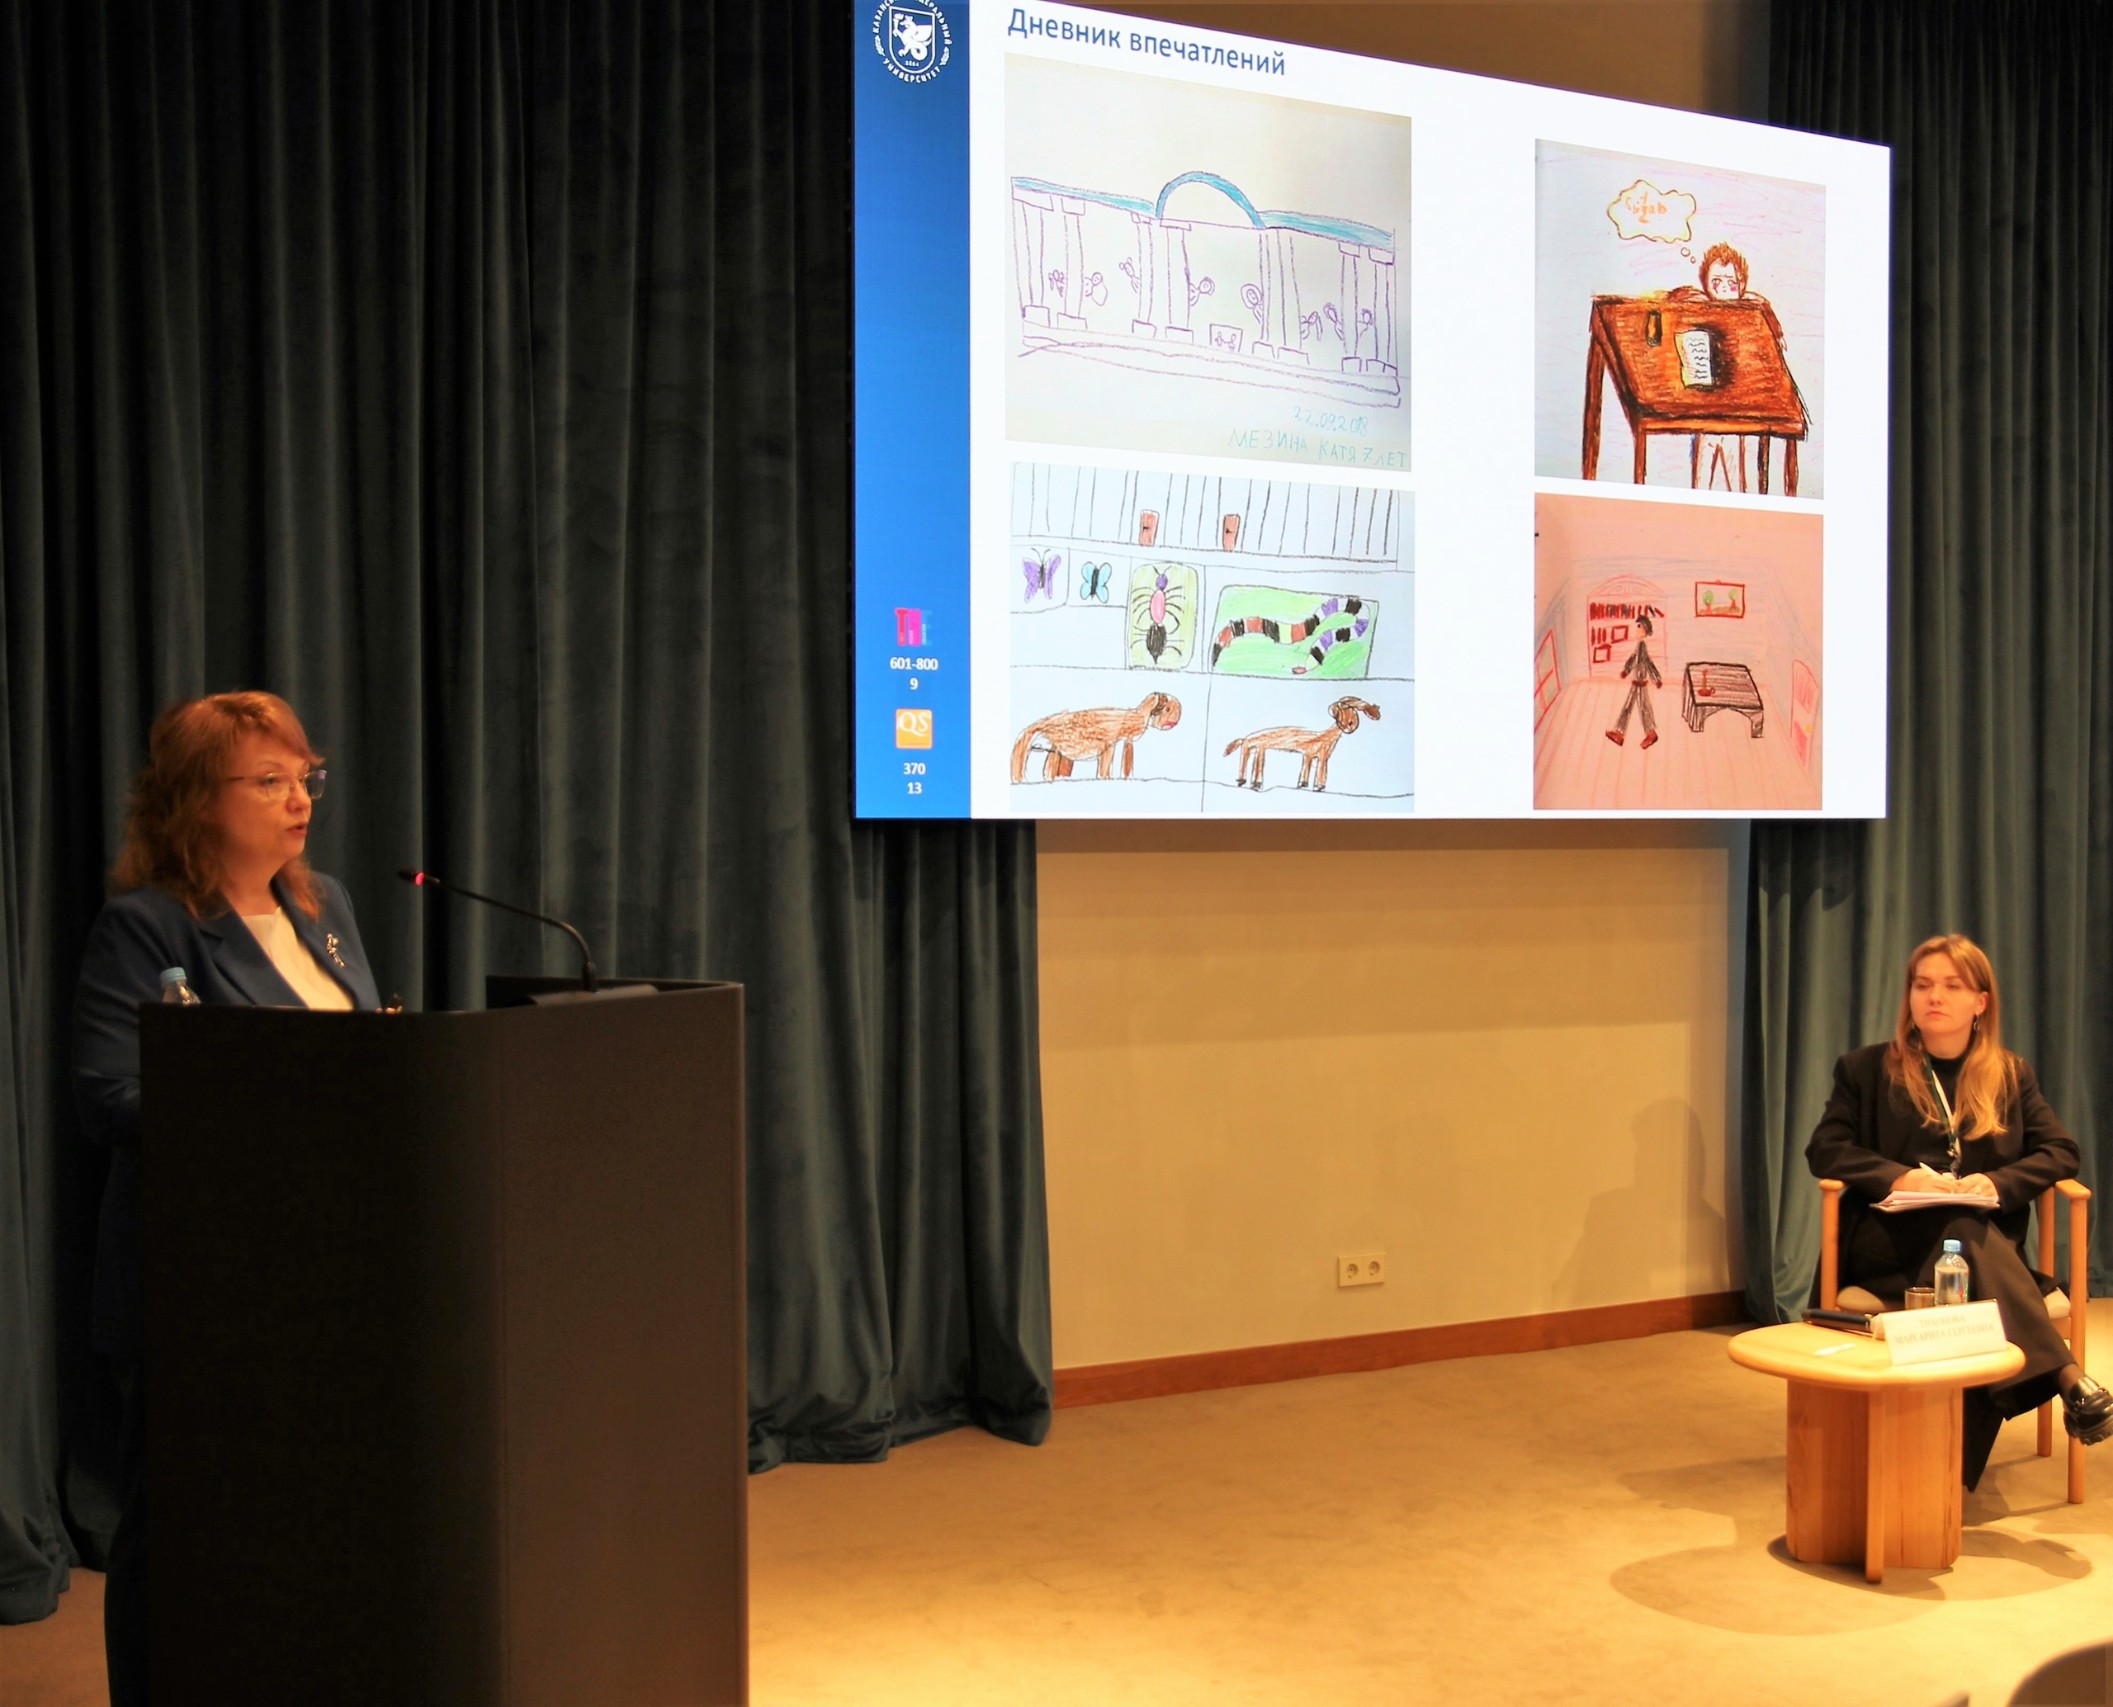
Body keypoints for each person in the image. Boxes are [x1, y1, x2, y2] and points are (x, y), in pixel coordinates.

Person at [72, 692, 381, 1706]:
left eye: (307, 777)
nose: (300, 799)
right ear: (199, 800)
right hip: (202, 1274)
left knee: (312, 1515)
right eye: (271, 780)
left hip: (327, 1262)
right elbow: (108, 1096)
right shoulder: (147, 926)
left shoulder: (325, 908)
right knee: (180, 1524)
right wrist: (269, 1094)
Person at [1806, 933, 2112, 1489]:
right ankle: (2065, 1376)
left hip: (1978, 1256)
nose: (1934, 997)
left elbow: (2060, 1151)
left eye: (1951, 985)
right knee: (1960, 1229)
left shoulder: (2010, 1074)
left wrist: (1995, 1183)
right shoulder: (1866, 1068)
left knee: (1965, 1242)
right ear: (1909, 997)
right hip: (1887, 1247)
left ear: (1980, 1002)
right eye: (1923, 985)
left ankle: (1937, 1482)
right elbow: (1825, 1150)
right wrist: (1899, 1177)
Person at [1604, 607, 1662, 750]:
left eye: (1639, 627)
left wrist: (1627, 670)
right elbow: (1641, 660)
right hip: (1638, 681)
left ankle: (1646, 733)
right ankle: (1621, 733)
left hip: (1639, 681)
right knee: (1634, 707)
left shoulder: (1642, 646)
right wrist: (1656, 678)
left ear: (1645, 630)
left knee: (1638, 707)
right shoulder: (1640, 646)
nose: (1636, 629)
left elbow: (1642, 661)